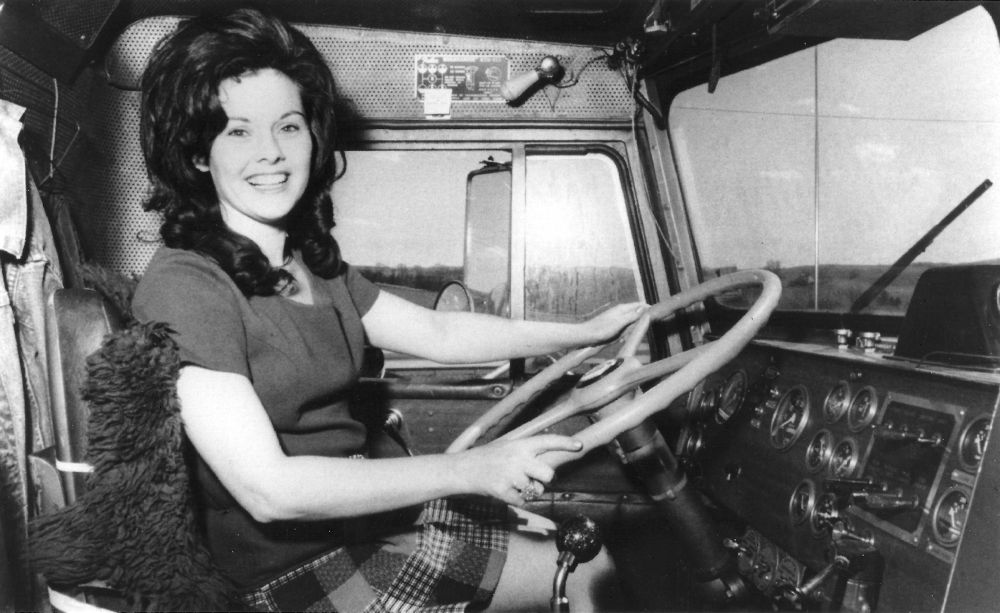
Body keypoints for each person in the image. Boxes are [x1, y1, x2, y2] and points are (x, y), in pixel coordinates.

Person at [132, 7, 646, 612]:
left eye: (288, 126)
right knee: (582, 574)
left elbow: (439, 331)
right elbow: (272, 490)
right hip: (284, 574)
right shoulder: (185, 287)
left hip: (360, 523)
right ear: (198, 153)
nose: (271, 153)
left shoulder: (311, 263)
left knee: (587, 561)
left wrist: (582, 332)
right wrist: (469, 470)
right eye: (238, 132)